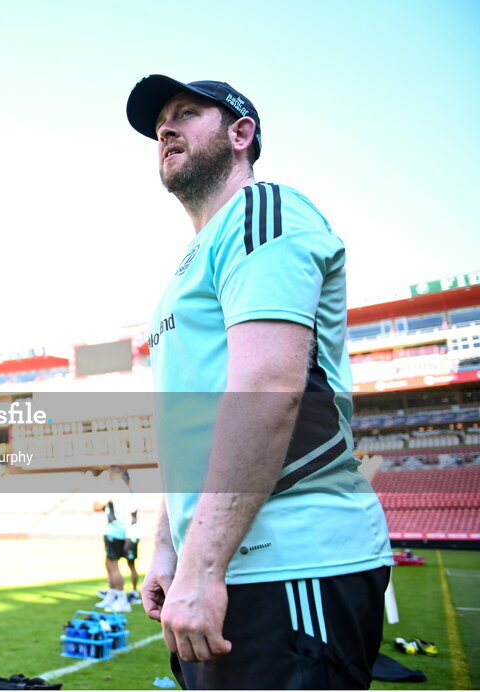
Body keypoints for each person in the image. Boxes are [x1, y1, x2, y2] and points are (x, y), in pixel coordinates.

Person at [125, 74, 393, 689]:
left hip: (290, 562)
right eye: (159, 124)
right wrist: (170, 545)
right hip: (223, 567)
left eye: (187, 114)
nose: (165, 129)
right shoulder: (190, 260)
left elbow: (268, 386)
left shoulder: (261, 211)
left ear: (241, 133)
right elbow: (189, 424)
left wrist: (203, 562)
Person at [92, 465, 140, 613]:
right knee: (112, 564)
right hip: (125, 530)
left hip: (115, 530)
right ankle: (114, 595)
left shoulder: (114, 488)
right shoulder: (130, 491)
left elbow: (96, 505)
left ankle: (120, 598)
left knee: (113, 565)